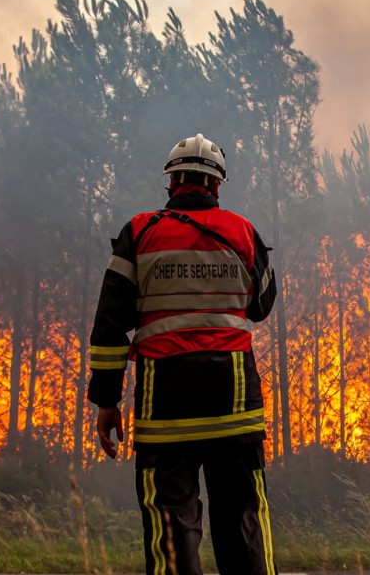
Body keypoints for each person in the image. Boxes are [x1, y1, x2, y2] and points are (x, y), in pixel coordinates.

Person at [87, 133, 278, 575]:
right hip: (234, 401)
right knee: (243, 518)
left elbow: (110, 324)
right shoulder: (244, 232)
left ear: (171, 182)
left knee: (169, 522)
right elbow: (261, 305)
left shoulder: (139, 233)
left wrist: (106, 401)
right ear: (217, 185)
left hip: (165, 400)